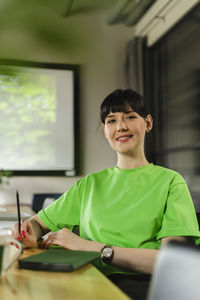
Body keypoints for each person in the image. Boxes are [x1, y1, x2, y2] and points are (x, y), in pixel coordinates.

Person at [12, 89, 200, 300]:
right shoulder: (89, 184)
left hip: (138, 288)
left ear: (148, 123)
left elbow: (172, 262)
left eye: (130, 117)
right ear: (104, 129)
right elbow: (39, 223)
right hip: (83, 279)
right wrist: (30, 230)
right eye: (111, 121)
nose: (121, 126)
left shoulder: (171, 182)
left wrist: (90, 248)